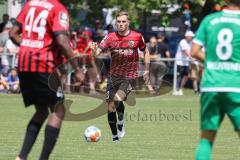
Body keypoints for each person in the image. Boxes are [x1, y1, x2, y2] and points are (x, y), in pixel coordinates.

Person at [9, 0, 83, 159]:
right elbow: (62, 41)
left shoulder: (29, 4)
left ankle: (21, 157)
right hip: (44, 65)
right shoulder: (58, 8)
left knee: (41, 110)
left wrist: (30, 47)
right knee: (58, 110)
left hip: (24, 63)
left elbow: (12, 33)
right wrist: (77, 69)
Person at [191, 1, 240, 159]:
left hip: (211, 86)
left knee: (206, 139)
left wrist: (212, 62)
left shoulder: (210, 20)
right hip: (236, 86)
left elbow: (194, 51)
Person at [91, 11, 150, 141]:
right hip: (113, 76)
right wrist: (94, 49)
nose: (121, 24)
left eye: (123, 21)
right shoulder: (110, 37)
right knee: (110, 108)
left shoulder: (137, 37)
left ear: (128, 22)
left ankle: (121, 122)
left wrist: (146, 70)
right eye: (119, 22)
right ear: (116, 23)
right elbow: (97, 53)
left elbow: (145, 51)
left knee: (118, 99)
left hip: (129, 76)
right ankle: (115, 137)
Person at [175, 30, 195, 95]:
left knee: (186, 76)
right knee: (180, 76)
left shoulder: (192, 42)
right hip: (180, 62)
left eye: (192, 36)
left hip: (187, 62)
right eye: (190, 36)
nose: (191, 37)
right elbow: (186, 52)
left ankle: (180, 89)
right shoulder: (182, 42)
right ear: (187, 36)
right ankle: (176, 89)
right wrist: (192, 58)